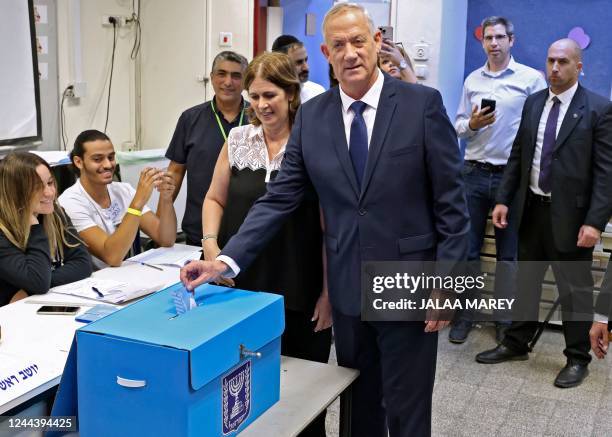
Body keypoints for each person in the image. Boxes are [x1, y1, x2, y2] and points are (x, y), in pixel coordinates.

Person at [181, 4, 469, 436]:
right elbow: (278, 198)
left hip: (409, 287)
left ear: (376, 43)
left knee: (407, 412)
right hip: (349, 290)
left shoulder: (421, 105)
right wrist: (225, 261)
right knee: (359, 408)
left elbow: (452, 203)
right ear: (325, 53)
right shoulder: (314, 119)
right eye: (339, 45)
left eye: (358, 41)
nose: (350, 53)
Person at [202, 51, 332, 437]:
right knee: (244, 394)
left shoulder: (314, 144)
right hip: (242, 286)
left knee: (305, 399)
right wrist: (212, 246)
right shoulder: (238, 141)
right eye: (254, 96)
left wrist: (328, 293)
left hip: (301, 287)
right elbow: (214, 198)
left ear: (291, 94)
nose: (261, 105)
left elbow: (330, 228)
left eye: (270, 95)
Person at [476, 39, 612, 389]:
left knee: (574, 291)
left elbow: (606, 173)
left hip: (573, 219)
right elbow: (519, 155)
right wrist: (504, 199)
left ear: (578, 66)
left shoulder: (598, 109)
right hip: (531, 210)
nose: (555, 68)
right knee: (527, 282)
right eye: (550, 60)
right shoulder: (534, 103)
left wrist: (595, 222)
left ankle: (577, 358)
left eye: (563, 62)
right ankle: (516, 342)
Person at [451, 16, 547, 344]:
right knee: (468, 251)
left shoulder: (531, 80)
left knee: (509, 256)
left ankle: (504, 321)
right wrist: (473, 123)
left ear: (511, 40)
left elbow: (542, 126)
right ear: (483, 42)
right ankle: (464, 317)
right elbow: (459, 125)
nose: (494, 43)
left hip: (512, 177)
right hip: (473, 174)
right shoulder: (472, 80)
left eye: (500, 37)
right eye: (488, 38)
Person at [59, 130, 177, 269]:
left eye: (111, 157)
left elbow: (166, 239)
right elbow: (112, 257)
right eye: (97, 159)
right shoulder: (70, 202)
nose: (108, 165)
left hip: (130, 274)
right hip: (96, 283)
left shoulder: (123, 190)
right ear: (79, 162)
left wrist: (166, 197)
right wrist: (138, 202)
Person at [165, 51, 249, 246]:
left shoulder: (257, 119)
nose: (228, 82)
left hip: (246, 229)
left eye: (236, 76)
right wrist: (163, 220)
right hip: (199, 230)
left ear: (245, 82)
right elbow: (175, 171)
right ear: (211, 78)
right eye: (222, 74)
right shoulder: (190, 119)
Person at [0, 152, 92, 306]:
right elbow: (38, 282)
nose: (49, 193)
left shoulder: (55, 213)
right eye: (37, 188)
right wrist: (34, 226)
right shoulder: (3, 231)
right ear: (14, 193)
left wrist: (33, 285)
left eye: (50, 183)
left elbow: (83, 264)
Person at [272, 34, 326, 103]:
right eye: (299, 62)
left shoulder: (317, 93)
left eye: (306, 60)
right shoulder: (268, 95)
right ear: (280, 64)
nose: (306, 67)